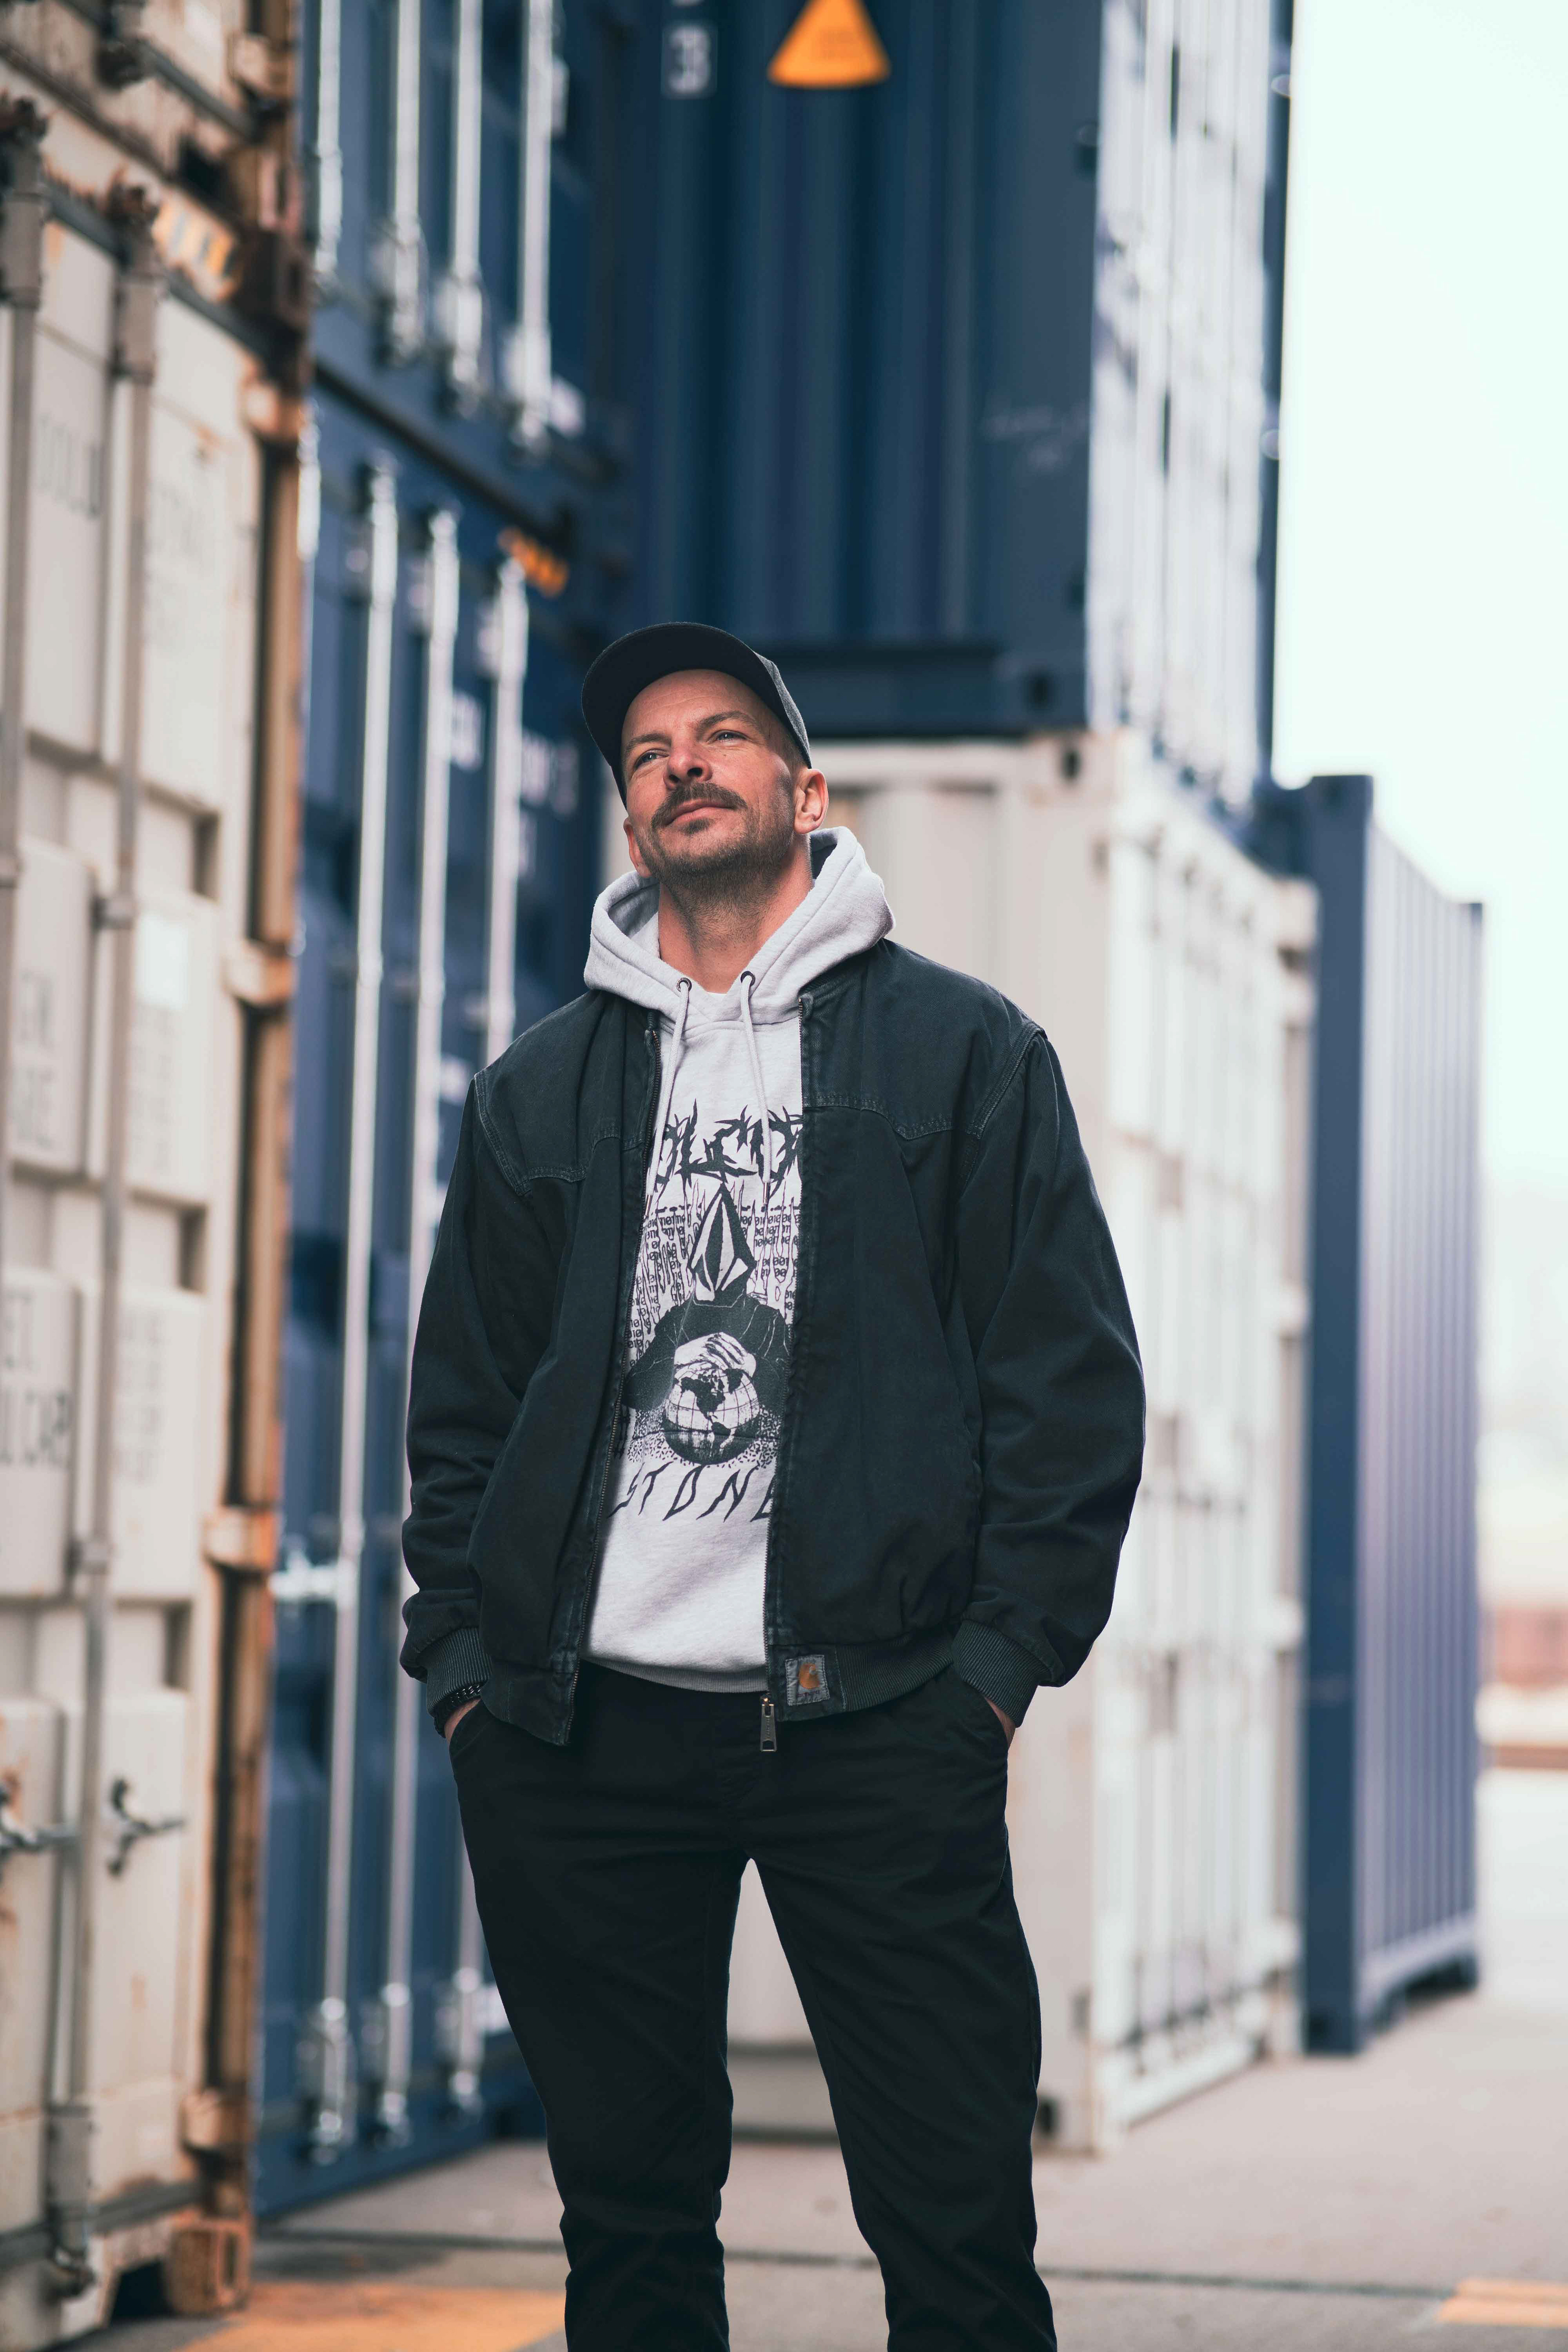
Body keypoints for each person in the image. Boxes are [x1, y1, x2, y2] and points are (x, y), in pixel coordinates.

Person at [401, 622, 1144, 2350]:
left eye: (723, 734)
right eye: (649, 750)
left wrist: (989, 1675)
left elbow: (1067, 1387)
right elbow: (465, 1412)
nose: (683, 761)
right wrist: (468, 1680)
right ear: (630, 817)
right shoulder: (537, 1091)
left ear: (807, 792)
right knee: (631, 2232)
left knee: (957, 2231)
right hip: (580, 1736)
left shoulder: (964, 1053)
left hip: (876, 1717)